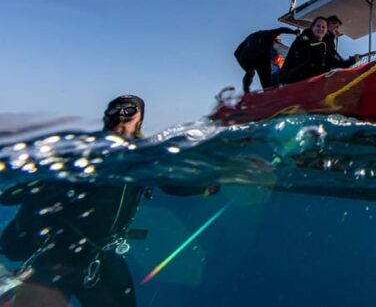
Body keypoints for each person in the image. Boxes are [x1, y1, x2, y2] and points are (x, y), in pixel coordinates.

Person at [0, 95, 218, 307]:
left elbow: (169, 183)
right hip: (59, 254)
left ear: (139, 120)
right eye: (114, 111)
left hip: (102, 256)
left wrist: (205, 187)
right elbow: (13, 194)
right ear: (106, 117)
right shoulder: (84, 151)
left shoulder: (144, 157)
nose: (121, 117)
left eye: (129, 111)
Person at [279, 17, 347, 84]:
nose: (336, 29)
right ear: (329, 24)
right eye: (335, 26)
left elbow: (331, 56)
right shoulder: (311, 36)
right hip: (296, 78)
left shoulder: (328, 39)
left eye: (337, 27)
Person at [234, 27, 298, 93]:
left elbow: (236, 53)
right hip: (261, 58)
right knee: (267, 84)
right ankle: (268, 91)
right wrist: (294, 32)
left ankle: (246, 91)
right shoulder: (271, 34)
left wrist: (245, 67)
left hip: (247, 58)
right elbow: (282, 29)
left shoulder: (251, 36)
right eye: (279, 40)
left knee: (250, 72)